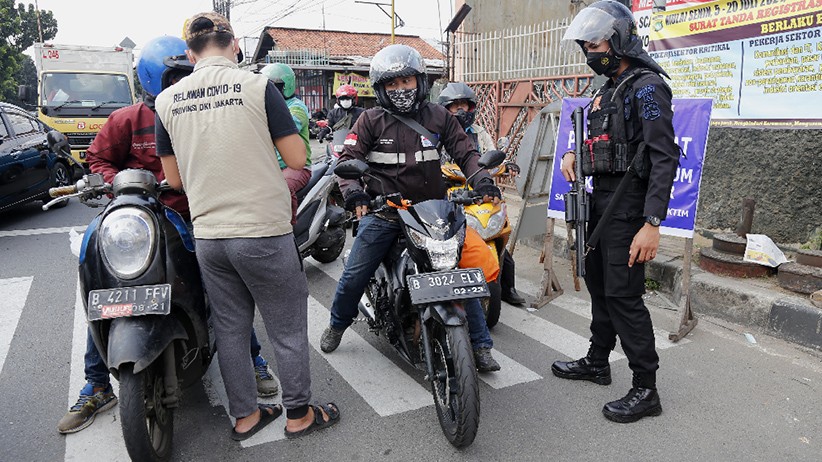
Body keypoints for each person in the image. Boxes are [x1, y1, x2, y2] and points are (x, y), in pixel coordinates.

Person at [56, 35, 279, 436]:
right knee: (103, 285)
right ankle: (96, 383)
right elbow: (98, 159)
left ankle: (253, 358)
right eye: (174, 76)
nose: (182, 82)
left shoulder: (198, 109)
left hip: (190, 216)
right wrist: (116, 183)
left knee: (221, 287)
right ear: (154, 79)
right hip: (135, 220)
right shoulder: (127, 119)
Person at [155, 12, 340, 441]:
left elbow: (176, 180)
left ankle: (245, 417)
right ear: (234, 44)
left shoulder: (167, 101)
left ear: (190, 53)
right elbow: (297, 160)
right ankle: (299, 415)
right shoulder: (259, 87)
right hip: (262, 232)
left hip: (210, 238)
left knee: (232, 329)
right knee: (287, 326)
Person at [318, 44, 502, 372]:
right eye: (392, 84)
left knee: (460, 274)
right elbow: (348, 161)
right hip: (386, 213)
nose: (401, 90)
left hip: (433, 214)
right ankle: (337, 323)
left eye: (406, 82)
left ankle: (481, 344)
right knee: (355, 274)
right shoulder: (370, 121)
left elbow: (465, 152)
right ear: (381, 89)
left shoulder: (439, 116)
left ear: (420, 81)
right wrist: (356, 196)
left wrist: (482, 181)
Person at [550, 0, 679, 423]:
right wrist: (573, 154)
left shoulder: (647, 86)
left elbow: (663, 157)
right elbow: (600, 140)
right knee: (602, 288)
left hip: (630, 207)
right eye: (585, 44)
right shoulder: (609, 87)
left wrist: (652, 223)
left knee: (624, 297)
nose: (590, 51)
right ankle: (598, 361)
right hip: (600, 201)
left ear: (620, 39)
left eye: (596, 42)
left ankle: (646, 388)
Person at [437, 81, 526, 306]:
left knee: (498, 233)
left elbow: (492, 156)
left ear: (472, 108)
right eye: (454, 105)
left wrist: (506, 164)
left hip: (479, 192)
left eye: (464, 105)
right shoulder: (436, 135)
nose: (459, 110)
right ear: (444, 109)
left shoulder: (479, 133)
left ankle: (507, 288)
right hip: (448, 194)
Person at [259, 63, 312, 224]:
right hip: (271, 167)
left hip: (297, 167)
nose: (269, 92)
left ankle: (287, 228)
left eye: (273, 87)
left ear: (286, 86)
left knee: (284, 187)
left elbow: (288, 127)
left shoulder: (297, 108)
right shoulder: (264, 107)